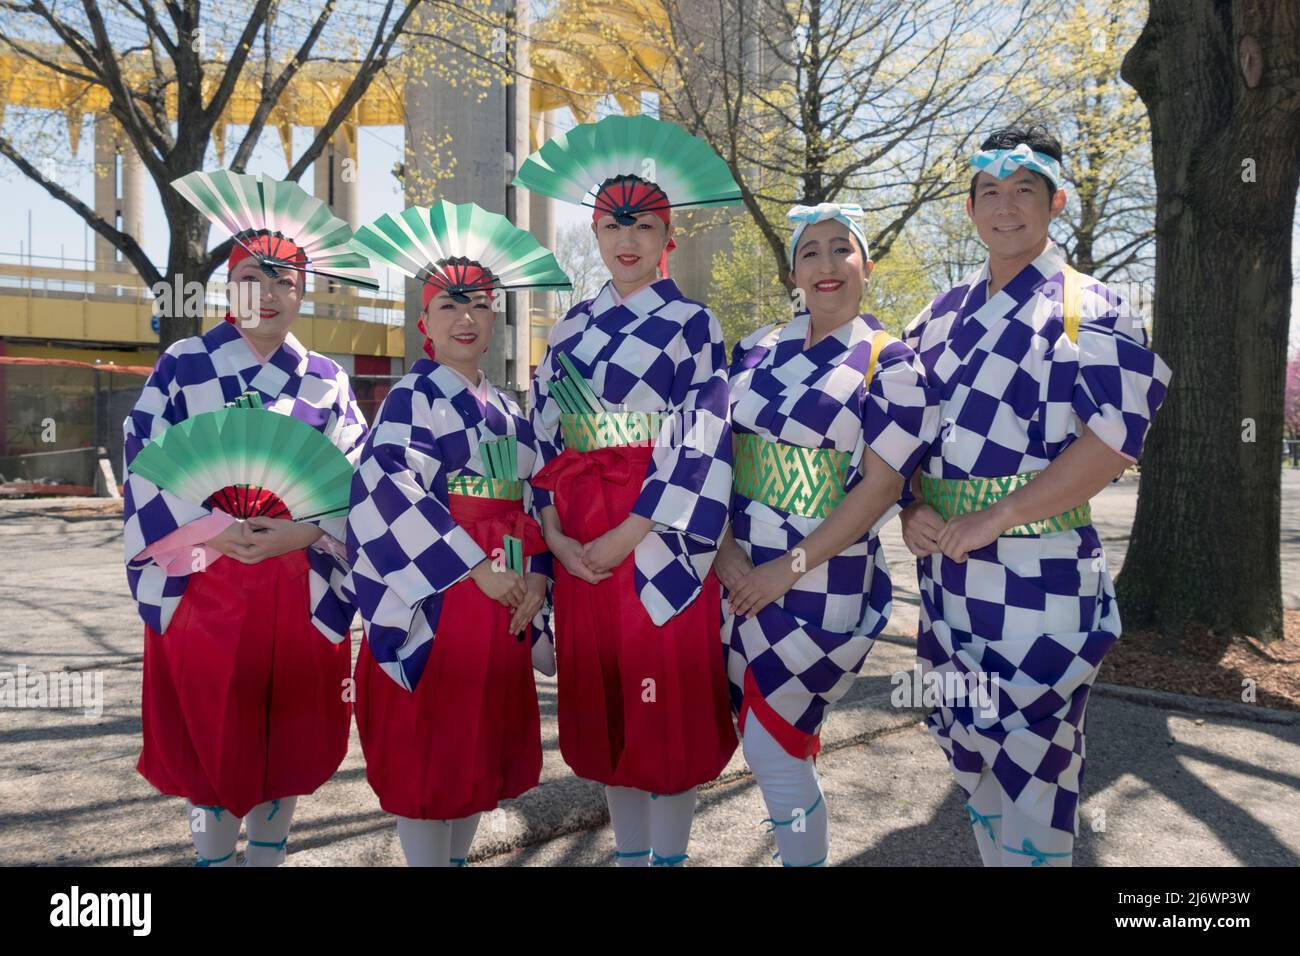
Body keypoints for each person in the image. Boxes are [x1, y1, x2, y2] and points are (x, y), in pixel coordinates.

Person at [898, 125, 1171, 866]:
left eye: (1024, 191)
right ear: (970, 207)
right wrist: (912, 507)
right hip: (948, 575)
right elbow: (903, 437)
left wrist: (1003, 513)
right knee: (974, 759)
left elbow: (1114, 440)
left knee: (1038, 763)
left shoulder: (1095, 304)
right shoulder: (938, 314)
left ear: (1054, 202)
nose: (1006, 207)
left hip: (1042, 577)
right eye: (990, 191)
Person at [123, 172, 371, 866]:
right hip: (204, 577)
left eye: (286, 279)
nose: (269, 293)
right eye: (253, 277)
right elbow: (145, 458)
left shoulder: (326, 378)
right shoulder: (184, 364)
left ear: (303, 290)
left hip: (298, 580)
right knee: (211, 739)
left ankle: (266, 856)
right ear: (229, 287)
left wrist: (310, 529)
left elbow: (355, 472)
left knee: (284, 733)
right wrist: (211, 530)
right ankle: (212, 859)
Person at [515, 114, 742, 866]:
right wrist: (550, 536)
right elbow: (543, 437)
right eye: (613, 224)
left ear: (666, 236)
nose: (627, 239)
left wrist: (634, 530)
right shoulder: (569, 329)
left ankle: (667, 858)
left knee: (663, 699)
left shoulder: (692, 323)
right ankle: (629, 854)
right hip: (578, 529)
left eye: (643, 223)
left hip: (654, 531)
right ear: (594, 231)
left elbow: (702, 440)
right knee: (607, 695)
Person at [344, 201, 566, 866]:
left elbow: (528, 505)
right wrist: (476, 567)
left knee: (477, 764)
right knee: (428, 755)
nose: (466, 318)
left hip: (499, 604)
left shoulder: (507, 410)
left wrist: (533, 579)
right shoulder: (410, 400)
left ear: (494, 319)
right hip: (438, 600)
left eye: (479, 305)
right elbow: (387, 492)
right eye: (449, 305)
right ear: (425, 325)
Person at [718, 202, 939, 866]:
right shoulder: (755, 347)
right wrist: (724, 551)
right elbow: (717, 456)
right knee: (766, 735)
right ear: (793, 270)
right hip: (734, 569)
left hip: (822, 577)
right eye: (809, 252)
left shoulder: (892, 362)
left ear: (866, 265)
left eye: (840, 249)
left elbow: (878, 487)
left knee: (772, 741)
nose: (825, 265)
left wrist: (784, 568)